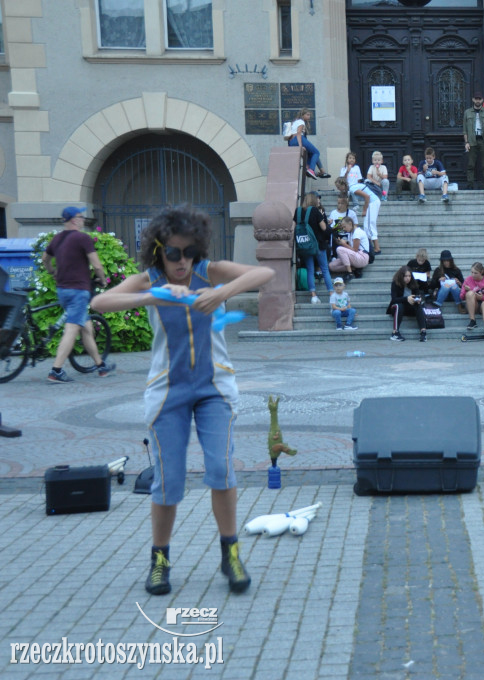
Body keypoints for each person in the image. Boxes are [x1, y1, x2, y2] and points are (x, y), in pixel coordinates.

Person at [91, 204, 274, 595]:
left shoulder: (210, 272)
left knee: (222, 470)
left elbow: (266, 273)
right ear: (158, 250)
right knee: (168, 480)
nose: (182, 261)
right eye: (173, 253)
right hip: (167, 393)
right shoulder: (150, 279)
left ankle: (231, 553)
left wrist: (223, 291)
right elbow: (99, 304)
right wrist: (154, 295)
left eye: (190, 252)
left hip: (214, 390)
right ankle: (160, 558)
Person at [41, 206, 116, 383]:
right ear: (74, 220)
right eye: (81, 217)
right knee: (72, 328)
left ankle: (100, 366)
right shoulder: (83, 238)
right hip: (78, 291)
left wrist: (52, 272)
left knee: (86, 328)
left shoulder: (57, 239)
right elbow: (97, 265)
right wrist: (103, 280)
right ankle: (56, 370)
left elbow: (45, 259)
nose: (83, 220)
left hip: (63, 290)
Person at [297, 191, 330, 303]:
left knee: (310, 270)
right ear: (314, 200)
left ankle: (313, 296)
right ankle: (331, 293)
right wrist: (323, 217)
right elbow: (324, 228)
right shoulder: (315, 211)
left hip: (305, 244)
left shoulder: (298, 211)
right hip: (318, 244)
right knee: (325, 269)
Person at [339, 177, 382, 255]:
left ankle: (377, 248)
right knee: (367, 226)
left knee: (370, 225)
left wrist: (364, 210)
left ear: (343, 185)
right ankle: (371, 248)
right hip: (373, 203)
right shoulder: (352, 187)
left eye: (339, 187)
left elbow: (367, 197)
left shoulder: (352, 189)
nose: (339, 189)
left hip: (372, 203)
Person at [462, 91, 484, 190]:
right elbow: (465, 130)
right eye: (476, 98)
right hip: (472, 141)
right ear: (473, 99)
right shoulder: (467, 112)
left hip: (483, 140)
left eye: (479, 99)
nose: (478, 100)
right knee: (471, 164)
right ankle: (470, 184)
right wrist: (466, 142)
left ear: (482, 100)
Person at [387, 266, 427, 343]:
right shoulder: (395, 283)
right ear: (401, 276)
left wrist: (418, 299)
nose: (408, 278)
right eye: (405, 276)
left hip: (409, 307)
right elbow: (394, 299)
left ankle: (423, 332)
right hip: (396, 307)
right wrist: (406, 299)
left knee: (418, 305)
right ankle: (395, 333)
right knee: (399, 305)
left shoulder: (413, 283)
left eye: (409, 276)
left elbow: (417, 294)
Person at [286, 109, 329, 179]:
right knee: (316, 152)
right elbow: (299, 133)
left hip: (292, 142)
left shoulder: (295, 122)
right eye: (307, 115)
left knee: (311, 152)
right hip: (298, 139)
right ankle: (311, 169)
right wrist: (300, 146)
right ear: (303, 115)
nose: (309, 117)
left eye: (309, 115)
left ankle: (309, 168)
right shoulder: (301, 122)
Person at [461, 262, 484, 336]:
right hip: (473, 305)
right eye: (472, 272)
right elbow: (461, 296)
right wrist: (467, 291)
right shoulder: (468, 280)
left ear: (481, 272)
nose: (473, 275)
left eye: (475, 273)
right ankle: (472, 321)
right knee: (470, 293)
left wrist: (482, 297)